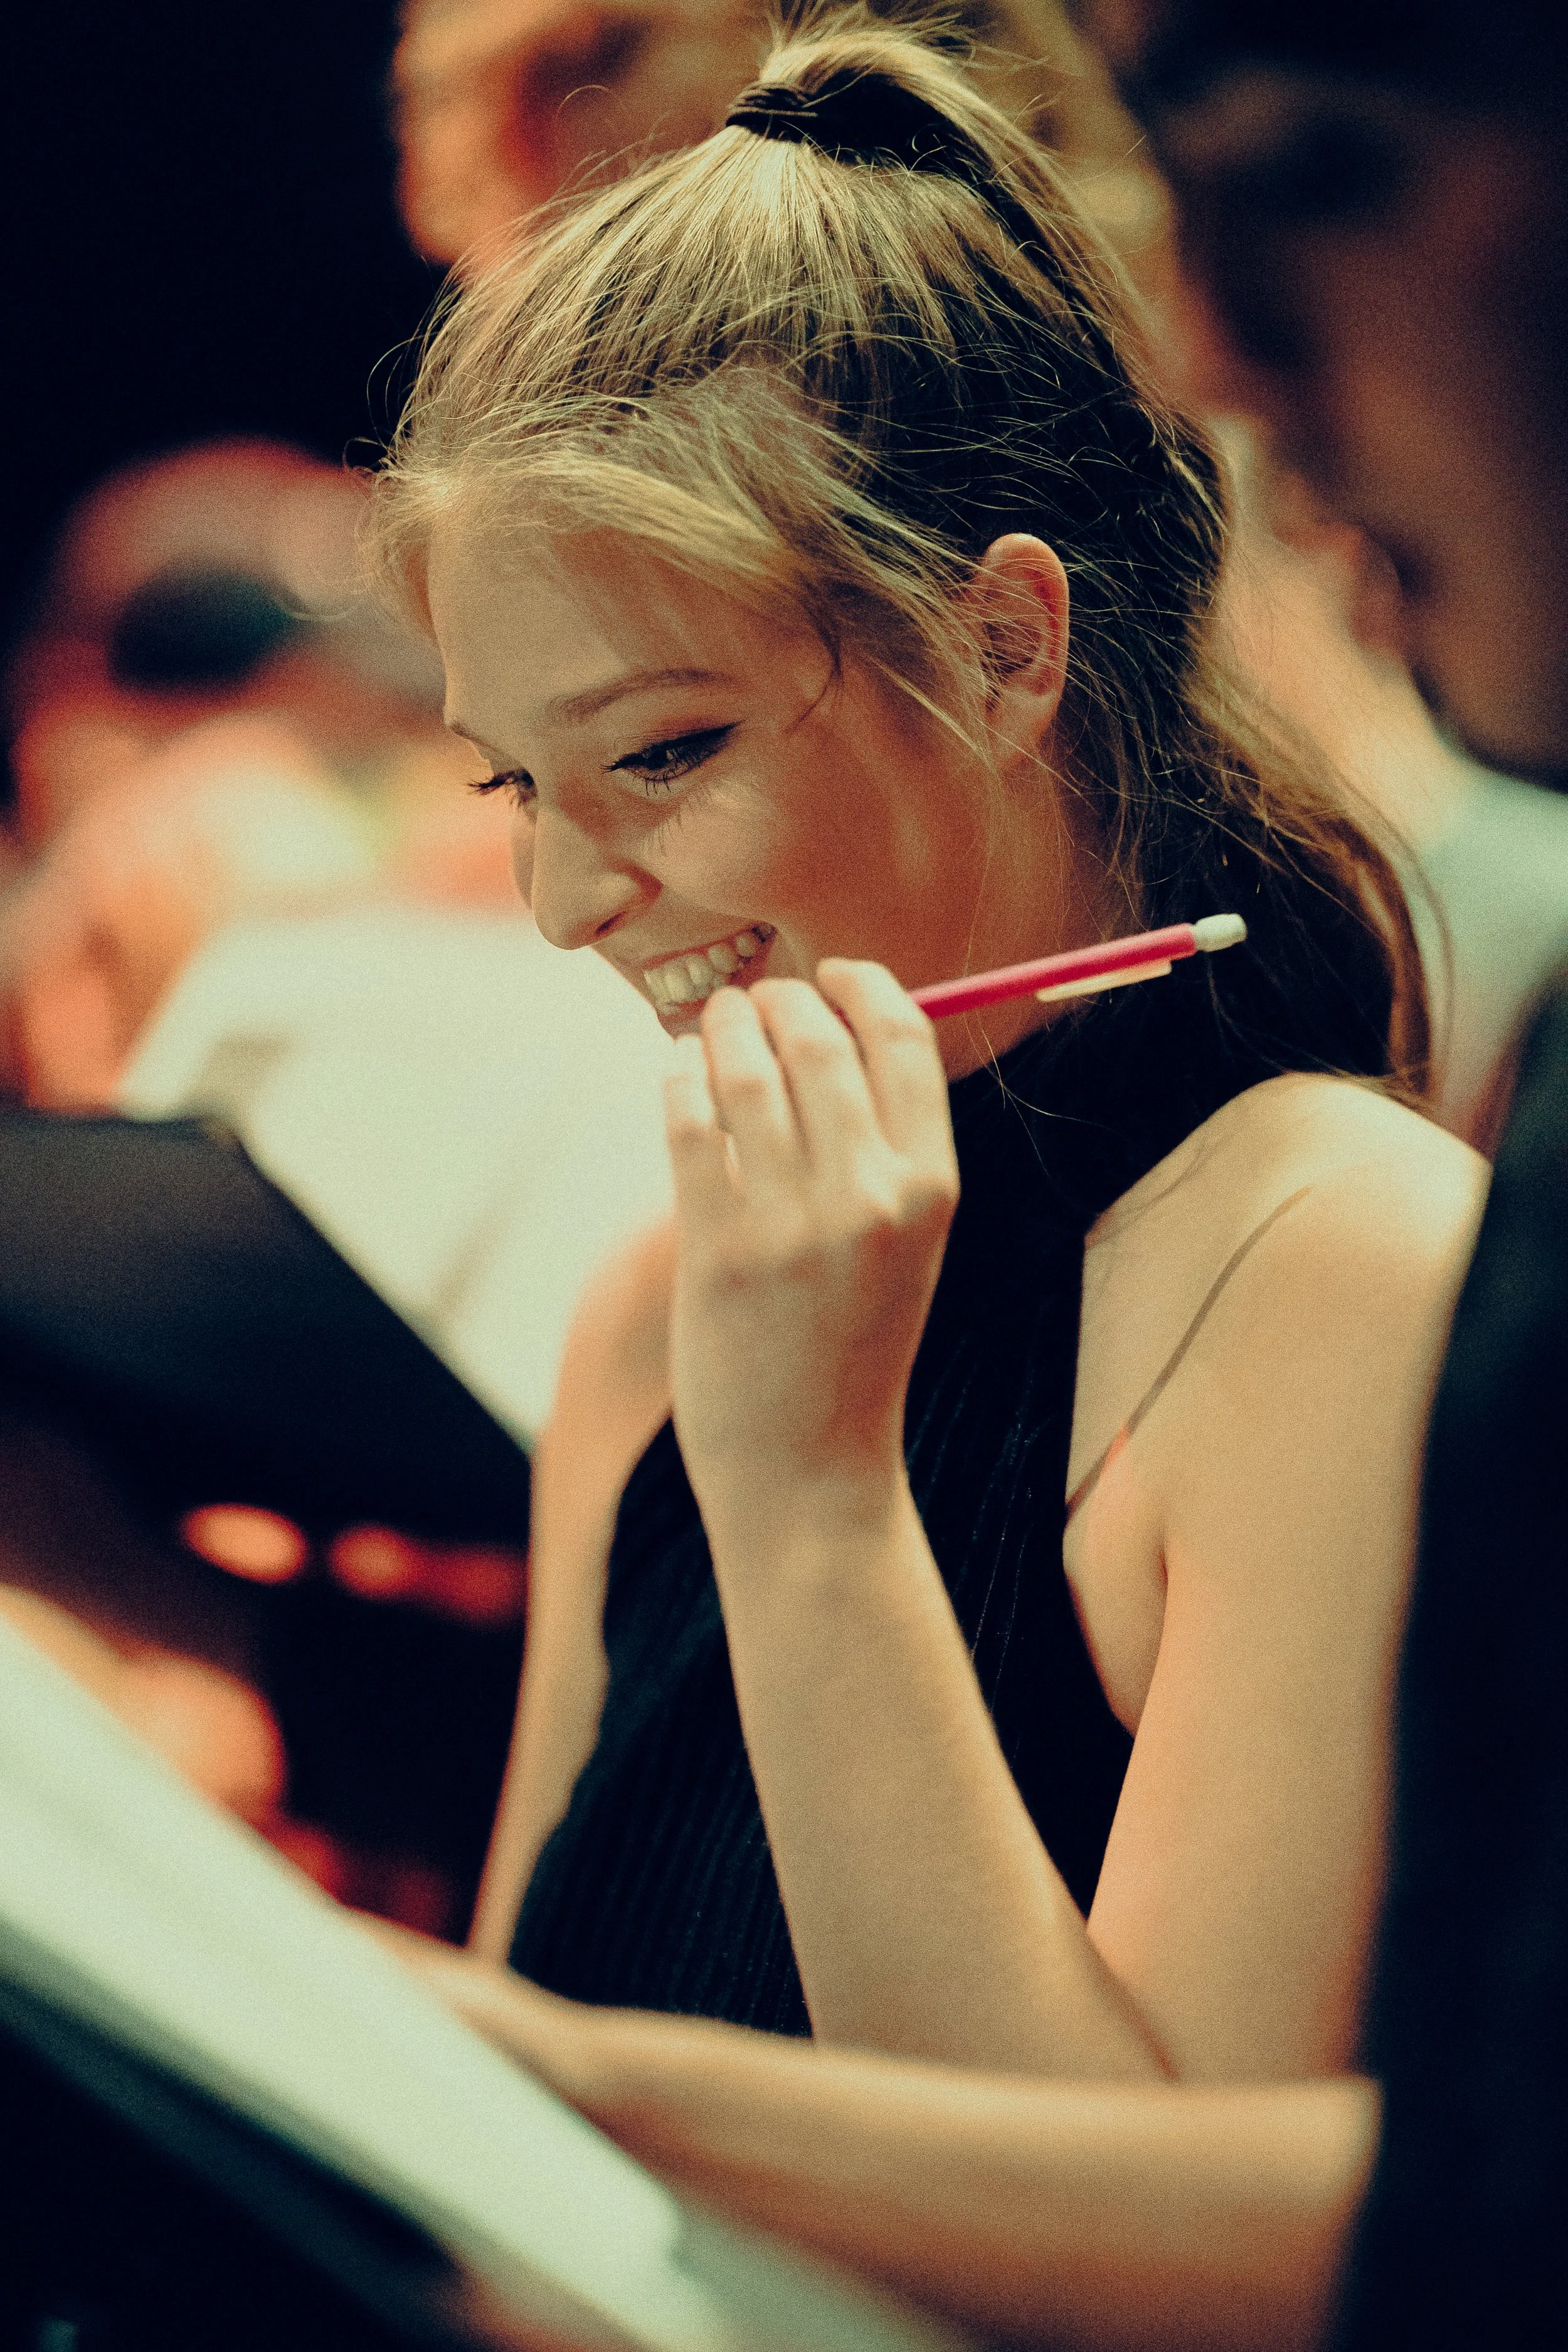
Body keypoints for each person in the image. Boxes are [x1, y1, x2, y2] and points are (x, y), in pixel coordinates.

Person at [373, 4, 1568, 2347]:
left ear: (1004, 640)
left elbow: (1150, 2280)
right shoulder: (661, 1310)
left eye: (664, 750)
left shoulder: (1336, 1265)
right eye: (520, 789)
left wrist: (816, 1496)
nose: (566, 898)